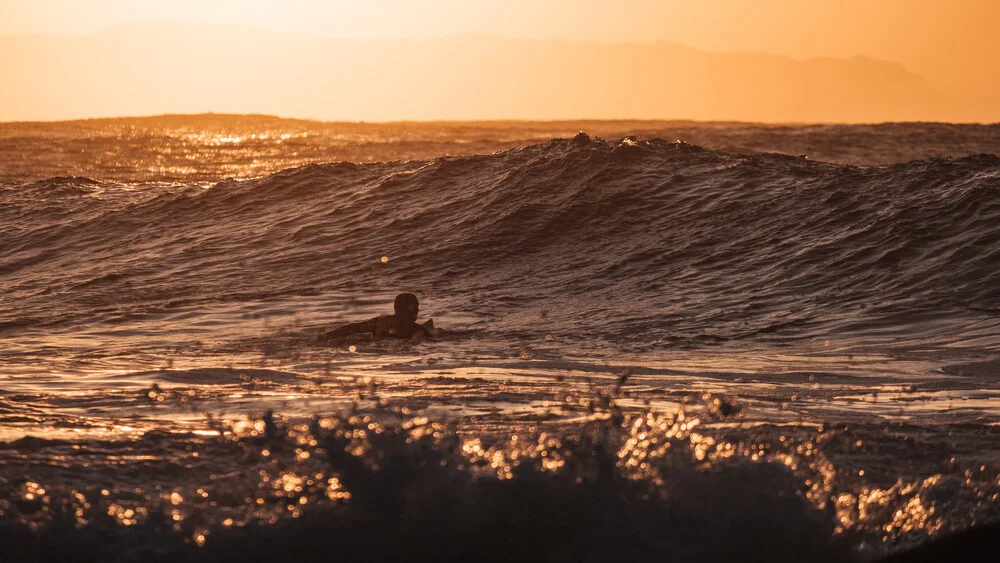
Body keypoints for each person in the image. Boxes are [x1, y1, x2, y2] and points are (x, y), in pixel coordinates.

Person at [321, 293, 433, 341]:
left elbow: (352, 328)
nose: (418, 310)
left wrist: (330, 334)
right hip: (395, 347)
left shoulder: (380, 321)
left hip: (376, 344)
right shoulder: (418, 329)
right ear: (409, 309)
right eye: (415, 307)